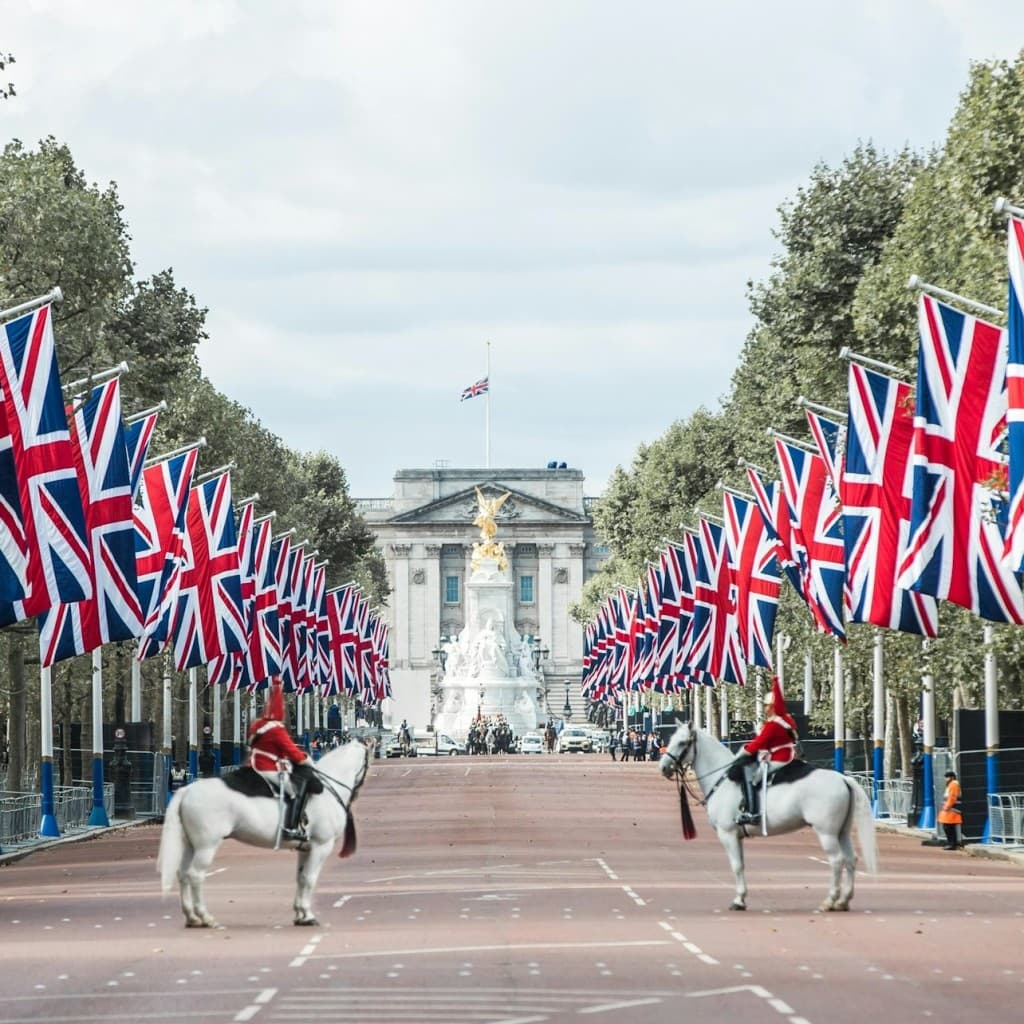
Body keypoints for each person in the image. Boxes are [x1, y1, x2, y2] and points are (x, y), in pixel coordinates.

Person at [248, 678, 321, 841]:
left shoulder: (257, 725)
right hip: (267, 768)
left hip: (253, 764)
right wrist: (307, 760)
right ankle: (289, 828)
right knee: (294, 793)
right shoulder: (277, 729)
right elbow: (293, 752)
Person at [727, 676, 798, 826]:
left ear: (772, 706)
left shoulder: (773, 724)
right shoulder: (788, 719)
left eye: (767, 705)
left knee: (753, 777)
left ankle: (753, 813)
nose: (765, 708)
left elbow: (757, 744)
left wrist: (741, 753)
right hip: (787, 755)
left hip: (780, 757)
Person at [938, 769, 963, 850]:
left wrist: (947, 807)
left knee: (948, 827)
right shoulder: (951, 784)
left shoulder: (953, 785)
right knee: (948, 827)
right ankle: (951, 843)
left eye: (947, 777)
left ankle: (952, 844)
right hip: (950, 809)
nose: (946, 778)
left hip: (952, 809)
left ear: (952, 777)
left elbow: (952, 797)